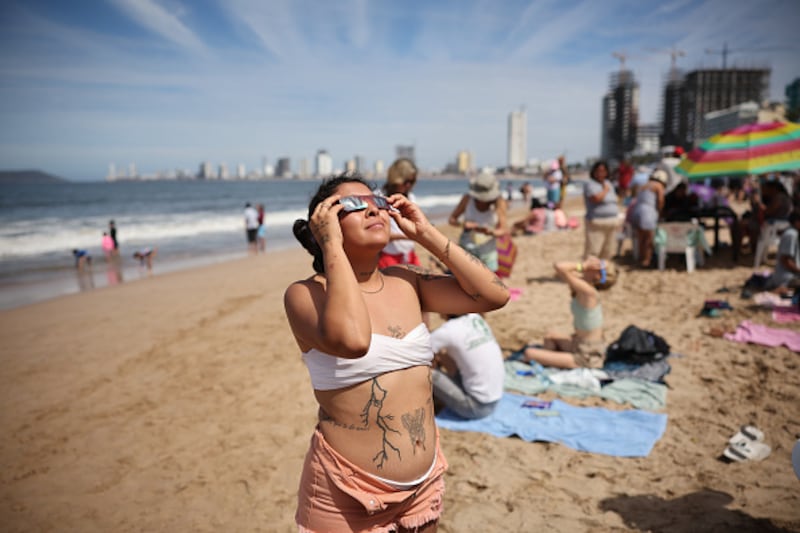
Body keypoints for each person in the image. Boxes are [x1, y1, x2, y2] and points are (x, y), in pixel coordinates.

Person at [285, 174, 509, 531]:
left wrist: (425, 234)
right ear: (324, 225)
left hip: (423, 484)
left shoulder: (408, 280)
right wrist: (331, 247)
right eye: (355, 205)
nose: (373, 208)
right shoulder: (306, 294)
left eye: (376, 201)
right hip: (347, 493)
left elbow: (494, 295)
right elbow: (353, 341)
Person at [519, 257, 617, 369]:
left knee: (529, 353)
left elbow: (559, 267)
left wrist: (584, 266)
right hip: (579, 344)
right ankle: (548, 365)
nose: (594, 262)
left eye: (599, 264)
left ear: (598, 275)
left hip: (588, 356)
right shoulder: (585, 287)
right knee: (550, 337)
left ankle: (548, 362)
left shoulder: (589, 293)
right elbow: (562, 269)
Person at [430, 313, 505, 419]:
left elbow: (417, 352)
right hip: (495, 399)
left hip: (475, 407)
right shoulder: (476, 318)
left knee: (425, 371)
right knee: (443, 355)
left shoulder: (447, 332)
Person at [448, 171, 509, 272]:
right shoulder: (467, 199)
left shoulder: (499, 202)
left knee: (486, 284)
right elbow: (451, 220)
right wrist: (464, 224)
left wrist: (490, 232)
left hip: (488, 253)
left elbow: (504, 230)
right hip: (466, 250)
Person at [378, 158, 421, 268]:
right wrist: (409, 235)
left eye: (412, 182)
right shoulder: (379, 198)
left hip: (409, 253)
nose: (408, 186)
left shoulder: (411, 198)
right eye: (406, 181)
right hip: (389, 255)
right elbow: (380, 233)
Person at [631, 169, 668, 268]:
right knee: (649, 239)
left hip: (637, 210)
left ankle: (641, 258)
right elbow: (660, 200)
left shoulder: (644, 185)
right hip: (648, 212)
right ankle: (647, 260)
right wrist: (660, 212)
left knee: (641, 238)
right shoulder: (658, 186)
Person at [583, 160, 619, 260]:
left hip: (611, 221)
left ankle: (602, 273)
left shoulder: (608, 183)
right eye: (598, 171)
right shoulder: (590, 184)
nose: (601, 174)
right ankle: (590, 273)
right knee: (593, 250)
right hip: (597, 222)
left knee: (607, 250)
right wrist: (605, 190)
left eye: (603, 171)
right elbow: (596, 199)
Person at [764, 210, 800, 293]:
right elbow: (785, 260)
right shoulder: (791, 235)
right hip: (786, 277)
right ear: (797, 222)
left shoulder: (794, 233)